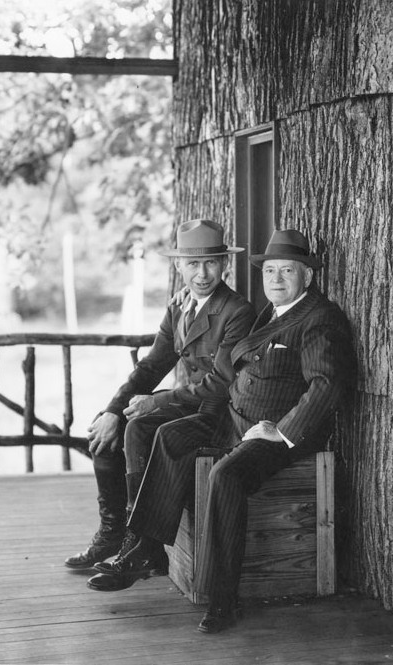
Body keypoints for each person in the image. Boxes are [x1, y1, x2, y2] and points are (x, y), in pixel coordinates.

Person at [86, 228, 355, 636]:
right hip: (235, 417)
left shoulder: (318, 318)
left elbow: (326, 385)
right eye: (270, 271)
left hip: (272, 433)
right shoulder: (273, 311)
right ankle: (146, 546)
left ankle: (222, 597)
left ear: (308, 276)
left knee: (224, 476)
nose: (277, 280)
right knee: (169, 436)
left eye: (287, 271)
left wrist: (282, 432)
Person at [64, 219, 256, 571]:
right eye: (193, 264)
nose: (202, 274)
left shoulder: (236, 311)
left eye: (211, 262)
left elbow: (222, 382)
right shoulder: (179, 305)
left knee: (139, 426)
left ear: (224, 264)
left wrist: (155, 402)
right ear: (179, 265)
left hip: (217, 410)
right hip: (187, 402)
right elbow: (152, 367)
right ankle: (113, 533)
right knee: (106, 428)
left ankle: (141, 544)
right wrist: (112, 410)